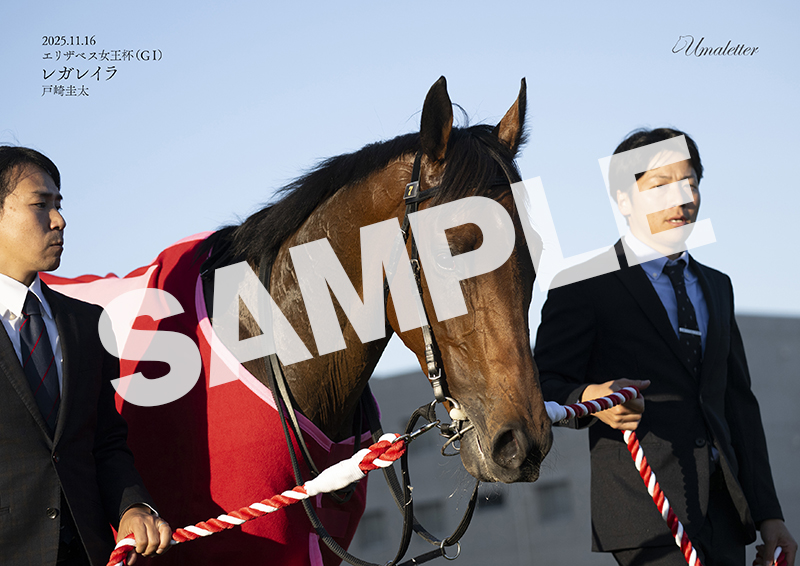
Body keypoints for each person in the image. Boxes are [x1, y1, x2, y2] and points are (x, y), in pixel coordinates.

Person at [534, 128, 796, 566]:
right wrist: (592, 398)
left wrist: (769, 515)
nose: (682, 198)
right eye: (660, 186)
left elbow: (738, 406)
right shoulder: (583, 285)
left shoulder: (718, 286)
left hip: (726, 512)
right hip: (645, 513)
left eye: (690, 182)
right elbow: (543, 384)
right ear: (623, 199)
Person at [0, 146, 172, 565]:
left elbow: (105, 442)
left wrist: (133, 507)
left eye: (58, 205)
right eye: (41, 204)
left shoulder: (87, 322)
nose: (59, 220)